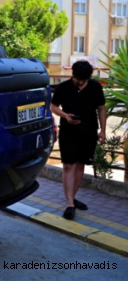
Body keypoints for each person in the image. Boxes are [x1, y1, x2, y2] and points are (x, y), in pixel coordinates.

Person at [50, 60, 106, 220]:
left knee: (80, 165)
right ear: (72, 74)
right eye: (77, 79)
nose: (80, 82)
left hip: (88, 132)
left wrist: (102, 130)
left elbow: (101, 108)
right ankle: (69, 204)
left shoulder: (95, 87)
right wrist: (65, 116)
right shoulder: (63, 87)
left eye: (83, 80)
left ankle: (72, 199)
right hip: (68, 132)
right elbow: (53, 106)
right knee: (68, 165)